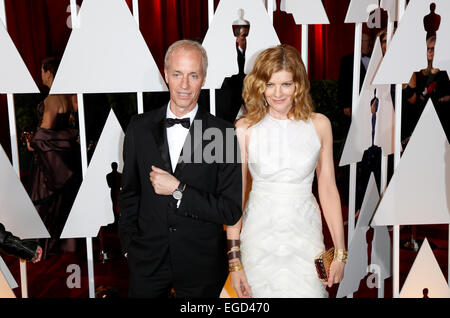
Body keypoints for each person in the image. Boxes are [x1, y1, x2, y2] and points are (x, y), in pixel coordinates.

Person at [118, 40, 242, 298]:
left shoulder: (223, 133)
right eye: (177, 74)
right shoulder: (138, 128)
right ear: (165, 75)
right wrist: (130, 247)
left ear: (203, 78)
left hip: (202, 267)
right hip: (147, 262)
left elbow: (230, 211)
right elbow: (129, 193)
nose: (184, 85)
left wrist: (179, 190)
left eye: (193, 75)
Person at [227, 45, 346, 298]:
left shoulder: (319, 124)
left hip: (307, 238)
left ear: (299, 85)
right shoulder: (244, 129)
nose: (277, 93)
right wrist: (234, 262)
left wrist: (340, 252)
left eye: (286, 84)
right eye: (270, 84)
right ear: (260, 85)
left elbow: (327, 188)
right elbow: (234, 197)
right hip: (259, 239)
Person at [26, 57, 81, 260]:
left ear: (49, 72)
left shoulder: (51, 99)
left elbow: (44, 133)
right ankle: (63, 245)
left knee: (42, 203)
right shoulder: (67, 96)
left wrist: (32, 144)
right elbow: (70, 128)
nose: (40, 75)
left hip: (48, 161)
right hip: (64, 158)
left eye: (41, 71)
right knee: (60, 204)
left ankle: (39, 249)